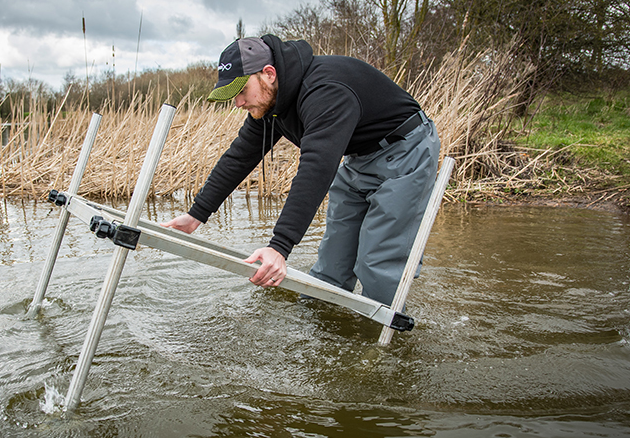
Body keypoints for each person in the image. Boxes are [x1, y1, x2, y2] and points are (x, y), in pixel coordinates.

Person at [162, 35, 440, 306]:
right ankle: (325, 334)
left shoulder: (325, 91)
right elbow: (238, 157)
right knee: (332, 265)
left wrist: (279, 247)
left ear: (269, 73)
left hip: (406, 151)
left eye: (242, 91)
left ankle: (387, 342)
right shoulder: (272, 105)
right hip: (360, 159)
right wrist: (196, 215)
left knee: (377, 263)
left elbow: (316, 168)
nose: (238, 103)